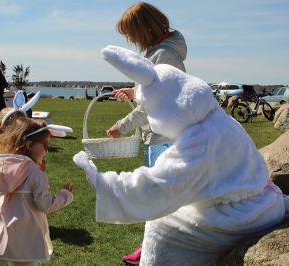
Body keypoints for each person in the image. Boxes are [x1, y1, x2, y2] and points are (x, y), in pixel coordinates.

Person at [74, 45, 288, 266]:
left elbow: (159, 186)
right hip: (264, 202)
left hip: (240, 217)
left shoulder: (198, 140)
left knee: (161, 226)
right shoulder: (221, 120)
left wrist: (103, 183)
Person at [105, 2, 187, 263]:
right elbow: (152, 92)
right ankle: (154, 245)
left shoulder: (164, 56)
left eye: (131, 33)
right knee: (160, 196)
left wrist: (122, 125)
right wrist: (134, 91)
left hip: (163, 138)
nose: (130, 40)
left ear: (143, 29)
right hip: (158, 136)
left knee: (160, 197)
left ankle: (154, 249)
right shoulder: (160, 53)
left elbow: (156, 102)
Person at [0, 117, 74, 266]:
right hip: (26, 235)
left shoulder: (4, 168)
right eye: (45, 146)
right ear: (29, 145)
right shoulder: (36, 175)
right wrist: (65, 195)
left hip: (2, 231)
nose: (47, 151)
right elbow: (45, 204)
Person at [0, 91, 43, 221]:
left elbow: (39, 167)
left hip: (21, 192)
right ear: (2, 128)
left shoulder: (26, 148)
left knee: (18, 217)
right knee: (1, 218)